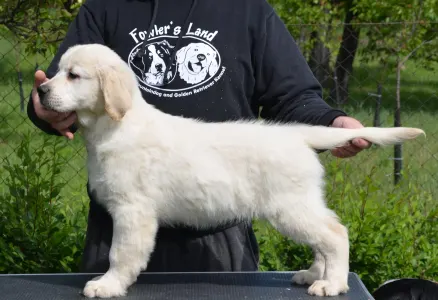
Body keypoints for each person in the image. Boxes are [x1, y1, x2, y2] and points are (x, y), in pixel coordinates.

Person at [27, 0, 370, 273]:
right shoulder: (104, 7)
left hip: (218, 234)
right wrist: (44, 113)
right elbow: (60, 91)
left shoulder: (250, 10)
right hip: (117, 227)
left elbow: (293, 96)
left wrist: (332, 120)